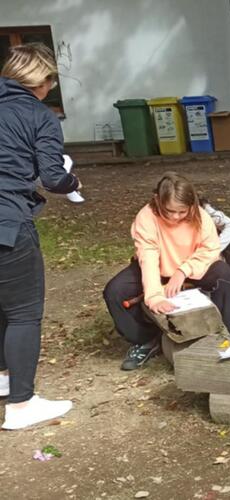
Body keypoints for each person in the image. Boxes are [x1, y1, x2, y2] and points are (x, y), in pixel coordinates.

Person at [0, 43, 81, 430]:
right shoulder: (40, 116)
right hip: (8, 221)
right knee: (24, 313)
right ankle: (21, 404)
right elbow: (53, 177)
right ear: (43, 80)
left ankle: (2, 377)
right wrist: (72, 180)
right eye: (51, 79)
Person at [103, 173, 230, 370]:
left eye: (182, 212)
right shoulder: (146, 217)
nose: (175, 217)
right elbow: (148, 257)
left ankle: (226, 334)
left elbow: (210, 250)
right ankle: (146, 340)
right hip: (158, 267)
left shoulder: (200, 216)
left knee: (224, 275)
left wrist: (183, 271)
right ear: (158, 200)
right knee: (115, 291)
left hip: (192, 266)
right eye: (169, 211)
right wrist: (154, 296)